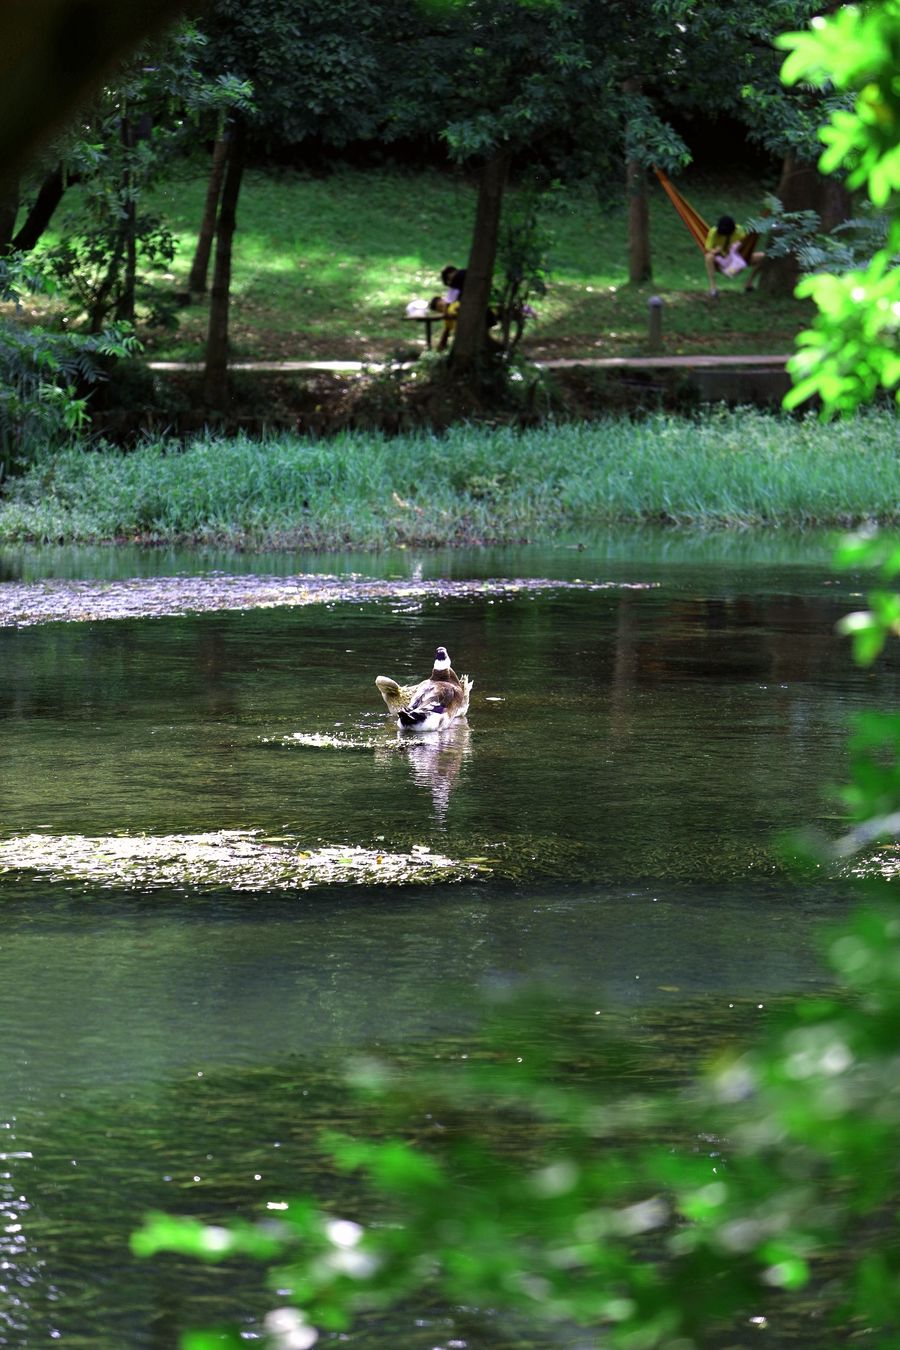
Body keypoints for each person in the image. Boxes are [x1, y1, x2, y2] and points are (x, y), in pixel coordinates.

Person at [704, 215, 764, 298]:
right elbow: (708, 249)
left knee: (763, 257)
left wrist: (741, 251)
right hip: (722, 261)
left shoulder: (740, 231)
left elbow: (747, 247)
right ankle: (713, 288)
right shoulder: (714, 232)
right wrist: (716, 250)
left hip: (738, 260)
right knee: (708, 257)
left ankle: (749, 283)